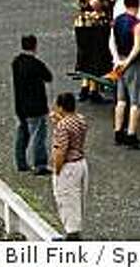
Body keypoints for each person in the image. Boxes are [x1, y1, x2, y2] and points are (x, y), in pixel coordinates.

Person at [109, 0, 140, 149]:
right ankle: (131, 135)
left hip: (119, 60)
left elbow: (112, 42)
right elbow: (137, 47)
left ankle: (118, 131)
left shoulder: (117, 21)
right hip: (134, 64)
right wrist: (127, 62)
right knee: (136, 101)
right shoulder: (138, 25)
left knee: (121, 100)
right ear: (139, 5)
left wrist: (117, 61)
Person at [50, 92, 89, 241]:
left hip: (68, 167)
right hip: (81, 163)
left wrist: (57, 169)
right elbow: (71, 126)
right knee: (78, 200)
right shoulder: (80, 120)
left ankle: (72, 236)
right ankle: (74, 233)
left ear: (60, 107)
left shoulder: (62, 126)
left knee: (67, 200)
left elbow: (61, 150)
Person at [74, 0, 113, 104]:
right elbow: (94, 3)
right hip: (95, 24)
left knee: (85, 56)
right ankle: (93, 90)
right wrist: (107, 3)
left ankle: (85, 87)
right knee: (96, 56)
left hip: (82, 24)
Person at [12, 35, 53, 175]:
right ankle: (40, 164)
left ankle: (21, 162)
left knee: (22, 134)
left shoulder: (16, 62)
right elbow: (48, 77)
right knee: (38, 135)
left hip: (20, 106)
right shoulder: (36, 64)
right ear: (35, 46)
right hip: (36, 106)